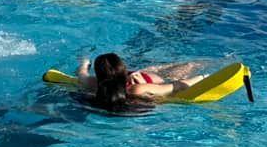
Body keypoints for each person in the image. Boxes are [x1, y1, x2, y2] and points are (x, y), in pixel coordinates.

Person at [77, 53, 207, 110]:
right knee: (190, 65)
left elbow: (81, 73)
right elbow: (177, 86)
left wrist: (84, 63)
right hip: (150, 80)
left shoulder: (91, 83)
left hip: (139, 79)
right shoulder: (138, 89)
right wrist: (203, 77)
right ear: (124, 71)